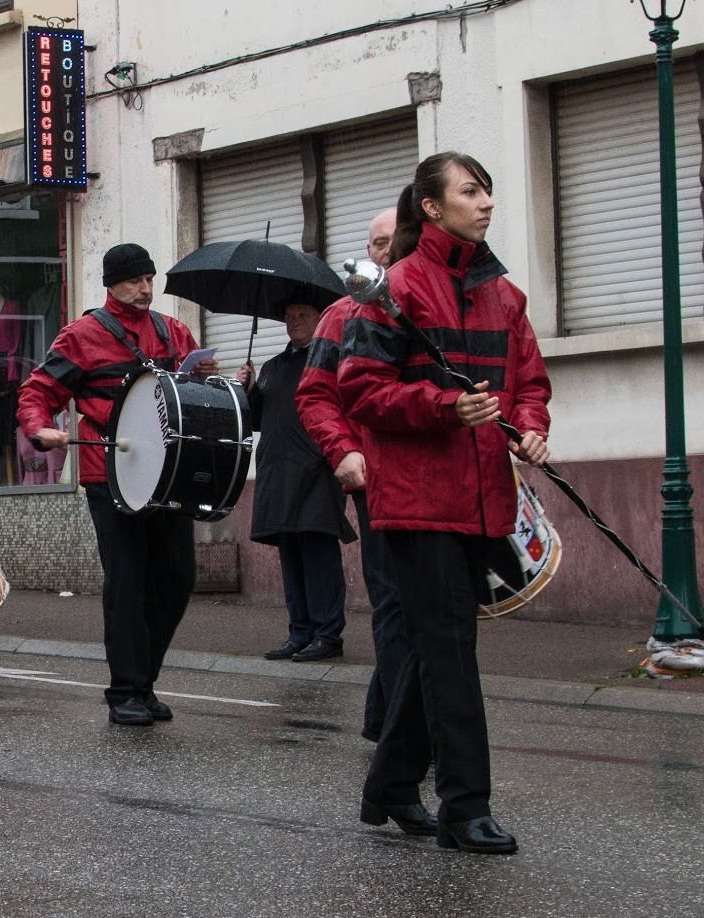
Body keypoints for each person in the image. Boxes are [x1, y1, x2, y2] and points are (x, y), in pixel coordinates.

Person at [339, 152, 550, 855]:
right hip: (417, 501)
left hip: (486, 494)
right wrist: (442, 405)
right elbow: (360, 391)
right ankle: (465, 807)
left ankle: (391, 786)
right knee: (451, 651)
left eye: (487, 188)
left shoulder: (504, 295)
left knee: (439, 650)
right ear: (430, 207)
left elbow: (528, 379)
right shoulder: (394, 291)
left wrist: (531, 428)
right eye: (469, 190)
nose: (485, 201)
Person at [18, 243, 220, 727]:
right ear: (111, 285)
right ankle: (125, 690)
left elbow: (194, 396)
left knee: (176, 579)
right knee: (127, 582)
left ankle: (143, 680)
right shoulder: (82, 336)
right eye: (134, 281)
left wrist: (211, 378)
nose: (145, 288)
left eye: (149, 279)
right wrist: (39, 427)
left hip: (167, 473)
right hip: (109, 473)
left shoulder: (174, 333)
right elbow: (37, 391)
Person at [295, 208, 407, 741]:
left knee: (428, 605)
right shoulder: (340, 314)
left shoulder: (430, 304)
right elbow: (314, 395)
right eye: (373, 244)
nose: (380, 253)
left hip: (436, 476)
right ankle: (392, 726)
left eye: (389, 241)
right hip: (375, 476)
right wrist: (342, 451)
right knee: (393, 599)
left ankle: (391, 718)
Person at [239, 301, 355, 664]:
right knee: (290, 554)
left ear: (320, 318)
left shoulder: (331, 360)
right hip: (278, 473)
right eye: (289, 317)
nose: (294, 322)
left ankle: (327, 634)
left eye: (303, 315)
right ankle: (299, 632)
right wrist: (247, 388)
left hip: (319, 471)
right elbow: (255, 418)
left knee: (318, 552)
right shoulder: (274, 367)